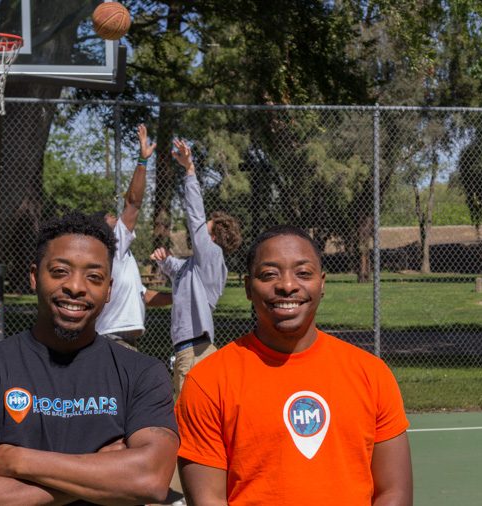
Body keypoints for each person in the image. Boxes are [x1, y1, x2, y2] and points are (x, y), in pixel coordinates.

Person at [0, 212, 179, 505]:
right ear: (35, 277)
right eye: (60, 271)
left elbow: (150, 480)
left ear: (109, 289)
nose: (76, 286)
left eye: (94, 277)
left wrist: (20, 461)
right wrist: (99, 471)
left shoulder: (143, 374)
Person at [175, 225, 413, 505]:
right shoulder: (207, 381)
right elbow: (208, 499)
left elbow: (393, 492)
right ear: (247, 287)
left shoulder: (371, 374)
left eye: (303, 273)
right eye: (269, 274)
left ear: (322, 283)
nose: (287, 285)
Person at [149, 138, 242, 397]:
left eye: (206, 228)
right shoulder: (198, 265)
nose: (200, 230)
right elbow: (179, 271)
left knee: (186, 420)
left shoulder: (212, 254)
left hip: (194, 352)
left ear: (213, 237)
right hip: (188, 350)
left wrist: (189, 171)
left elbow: (195, 216)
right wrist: (164, 258)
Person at [96, 124, 171, 351]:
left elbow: (145, 296)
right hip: (112, 339)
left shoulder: (123, 257)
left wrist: (182, 296)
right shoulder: (113, 247)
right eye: (111, 217)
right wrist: (143, 160)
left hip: (122, 340)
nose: (116, 218)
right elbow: (133, 203)